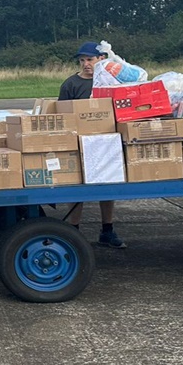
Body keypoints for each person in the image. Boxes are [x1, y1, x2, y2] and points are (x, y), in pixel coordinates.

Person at [59, 40, 125, 249]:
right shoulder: (71, 84)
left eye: (90, 59)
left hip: (106, 141)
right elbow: (61, 116)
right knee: (77, 189)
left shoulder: (111, 82)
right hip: (79, 142)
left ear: (101, 60)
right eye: (82, 60)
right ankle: (74, 232)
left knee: (107, 187)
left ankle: (107, 230)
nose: (86, 64)